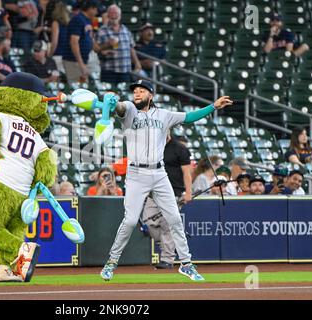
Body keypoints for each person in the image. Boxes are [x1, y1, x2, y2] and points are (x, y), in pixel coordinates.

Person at [100, 79, 233, 281]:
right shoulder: (129, 109)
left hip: (159, 173)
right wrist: (112, 101)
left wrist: (213, 106)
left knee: (175, 220)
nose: (137, 93)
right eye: (135, 91)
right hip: (136, 174)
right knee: (129, 221)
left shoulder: (164, 115)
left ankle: (186, 264)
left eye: (141, 91)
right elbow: (118, 108)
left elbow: (189, 117)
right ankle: (111, 262)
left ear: (150, 95)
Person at [141, 132, 193, 269]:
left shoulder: (180, 148)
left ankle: (167, 259)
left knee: (167, 225)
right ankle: (172, 242)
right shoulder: (151, 148)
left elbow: (187, 173)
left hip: (173, 192)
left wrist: (188, 192)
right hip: (153, 192)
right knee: (149, 222)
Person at [94, 4, 142, 84]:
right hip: (109, 70)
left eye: (116, 13)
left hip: (125, 70)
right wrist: (106, 46)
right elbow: (96, 49)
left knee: (124, 93)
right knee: (109, 95)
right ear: (108, 15)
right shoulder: (101, 31)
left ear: (120, 15)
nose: (114, 15)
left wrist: (137, 62)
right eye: (111, 13)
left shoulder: (126, 30)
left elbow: (131, 48)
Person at [62, 0, 99, 83]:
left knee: (84, 89)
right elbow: (74, 43)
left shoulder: (87, 20)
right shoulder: (77, 19)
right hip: (73, 61)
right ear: (90, 8)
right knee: (77, 89)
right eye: (95, 9)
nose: (97, 12)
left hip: (82, 61)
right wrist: (81, 64)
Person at [48, 0, 71, 74]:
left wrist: (50, 55)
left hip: (58, 55)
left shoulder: (55, 23)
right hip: (68, 56)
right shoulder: (70, 23)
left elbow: (55, 41)